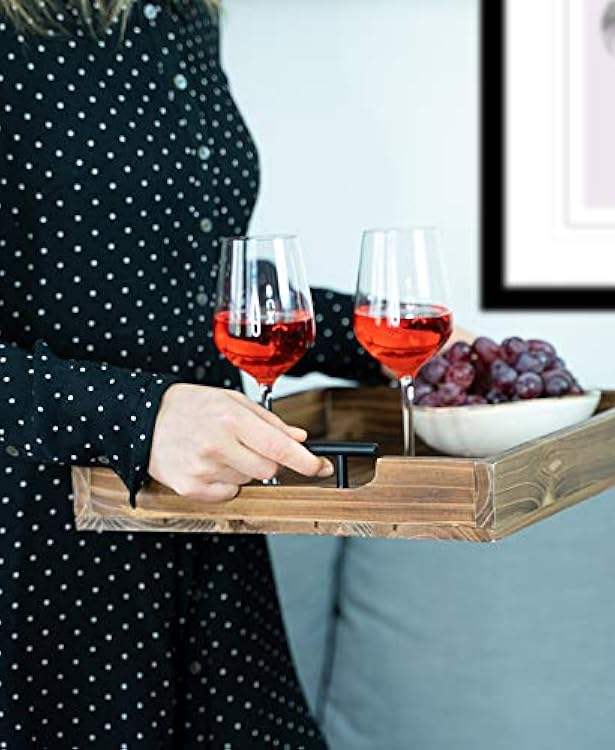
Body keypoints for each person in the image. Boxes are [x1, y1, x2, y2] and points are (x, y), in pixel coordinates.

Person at [0, 1, 385, 746]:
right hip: (39, 559)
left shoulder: (182, 15)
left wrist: (383, 337)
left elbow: (174, 286)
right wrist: (140, 419)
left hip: (208, 536)